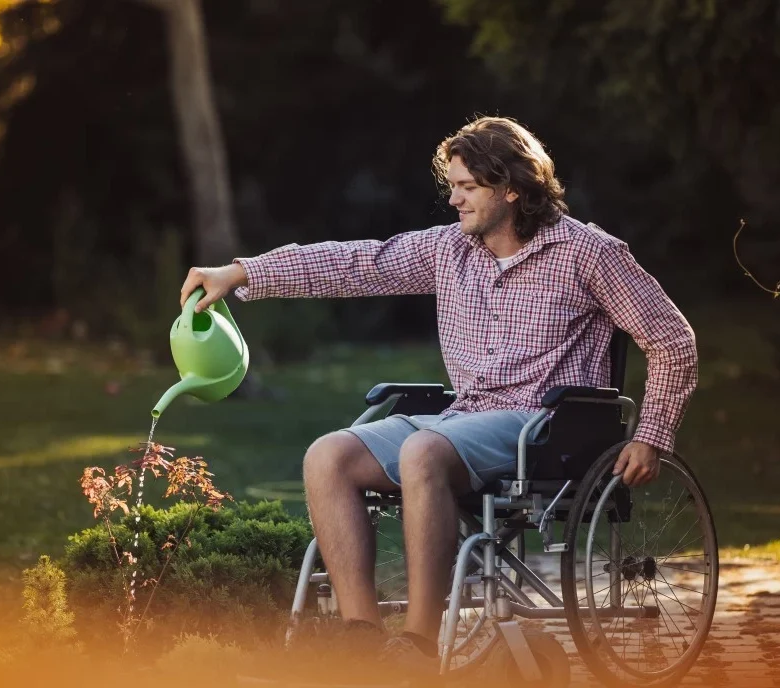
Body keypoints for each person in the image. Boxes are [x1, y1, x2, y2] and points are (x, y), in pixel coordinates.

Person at [178, 116, 698, 670]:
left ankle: (418, 647)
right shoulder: (450, 250)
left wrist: (650, 436)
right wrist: (241, 273)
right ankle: (363, 641)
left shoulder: (588, 253)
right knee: (328, 456)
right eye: (452, 186)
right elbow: (357, 263)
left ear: (513, 188)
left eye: (467, 187)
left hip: (546, 427)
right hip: (464, 417)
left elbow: (673, 341)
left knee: (422, 450)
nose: (453, 199)